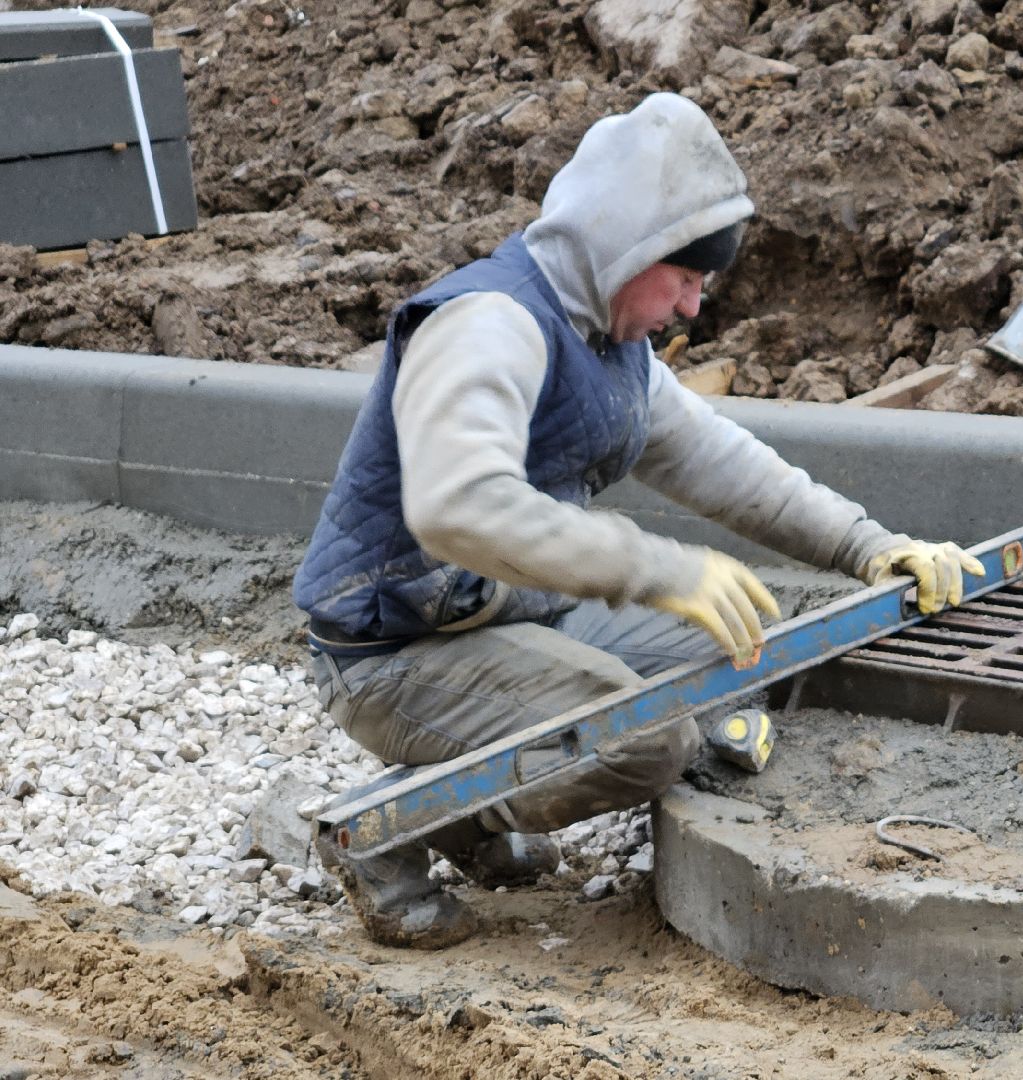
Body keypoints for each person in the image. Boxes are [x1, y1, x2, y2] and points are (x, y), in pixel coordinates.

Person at [291, 93, 982, 949]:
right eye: (686, 279)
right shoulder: (488, 326)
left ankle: (474, 804)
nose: (694, 307)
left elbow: (725, 465)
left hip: (499, 610)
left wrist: (870, 546)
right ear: (632, 249)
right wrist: (661, 570)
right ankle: (394, 829)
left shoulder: (613, 347)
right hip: (393, 651)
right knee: (641, 740)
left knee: (734, 644)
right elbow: (454, 506)